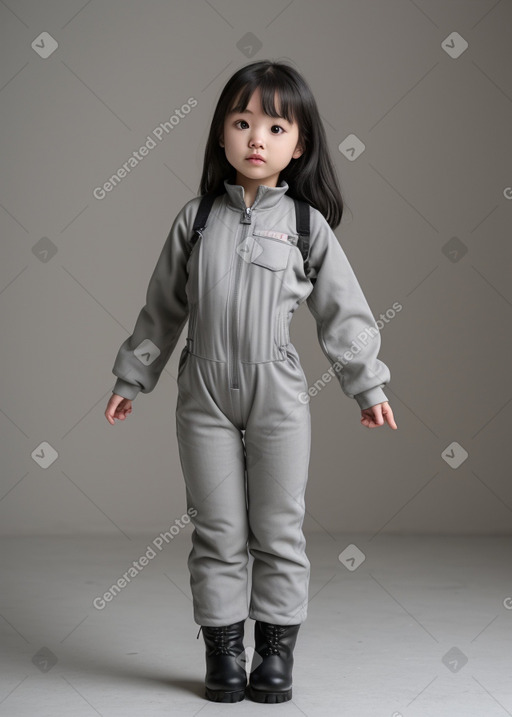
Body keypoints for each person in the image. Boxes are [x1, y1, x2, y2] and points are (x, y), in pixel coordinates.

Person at [105, 59, 398, 704]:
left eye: (275, 126)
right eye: (242, 122)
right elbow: (161, 308)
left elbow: (343, 311)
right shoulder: (196, 220)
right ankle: (224, 650)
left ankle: (274, 652)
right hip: (202, 395)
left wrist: (367, 385)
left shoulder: (304, 226)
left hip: (279, 396)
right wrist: (133, 376)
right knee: (217, 528)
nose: (256, 138)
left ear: (300, 146)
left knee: (279, 527)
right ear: (220, 135)